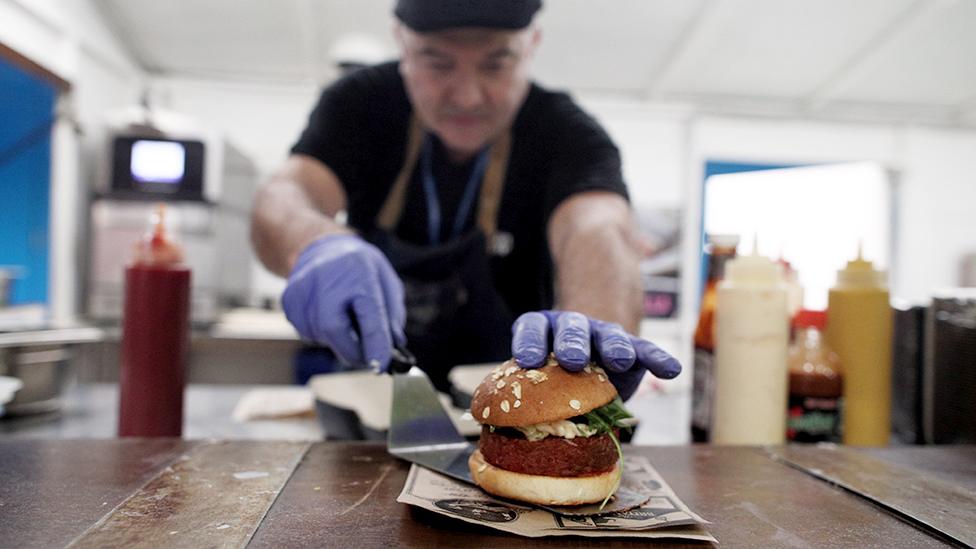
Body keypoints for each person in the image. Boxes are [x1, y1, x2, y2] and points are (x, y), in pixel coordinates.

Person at [251, 0, 680, 400]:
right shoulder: (359, 104)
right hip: (370, 395)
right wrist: (315, 242)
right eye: (438, 63)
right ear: (402, 43)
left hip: (514, 402)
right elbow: (288, 193)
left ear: (531, 45)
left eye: (497, 63)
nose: (468, 96)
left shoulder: (567, 134)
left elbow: (598, 228)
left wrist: (592, 334)